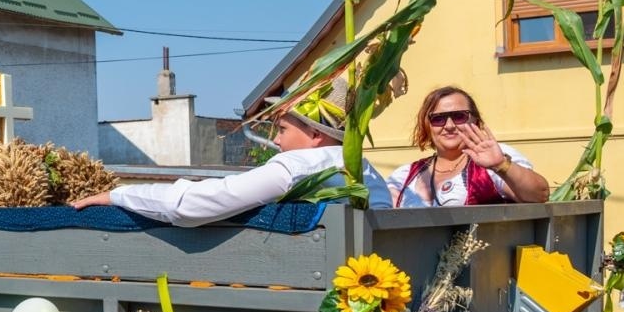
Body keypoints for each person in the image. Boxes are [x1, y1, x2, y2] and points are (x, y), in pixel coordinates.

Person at [69, 77, 392, 226]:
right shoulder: (368, 173)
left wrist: (117, 196)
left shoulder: (296, 167)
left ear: (316, 134)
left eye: (282, 129)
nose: (277, 142)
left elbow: (193, 205)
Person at [388, 86, 549, 207]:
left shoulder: (496, 156)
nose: (449, 125)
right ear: (427, 126)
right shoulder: (405, 175)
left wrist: (501, 165)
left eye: (459, 116)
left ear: (476, 121)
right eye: (438, 119)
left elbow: (540, 194)